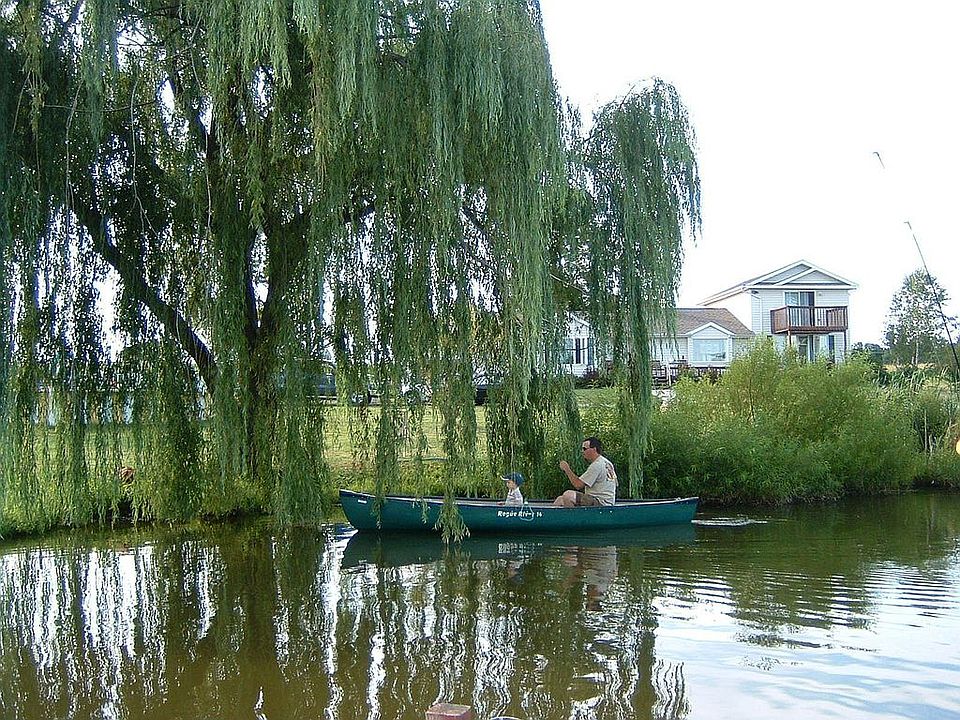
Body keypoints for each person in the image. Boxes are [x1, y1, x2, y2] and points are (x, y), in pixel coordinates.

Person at [553, 437, 617, 507]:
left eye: (584, 449)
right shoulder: (607, 462)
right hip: (606, 501)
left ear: (594, 449)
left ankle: (575, 518)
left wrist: (567, 469)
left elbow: (578, 485)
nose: (582, 451)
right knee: (560, 500)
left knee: (568, 495)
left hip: (601, 502)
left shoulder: (597, 465)